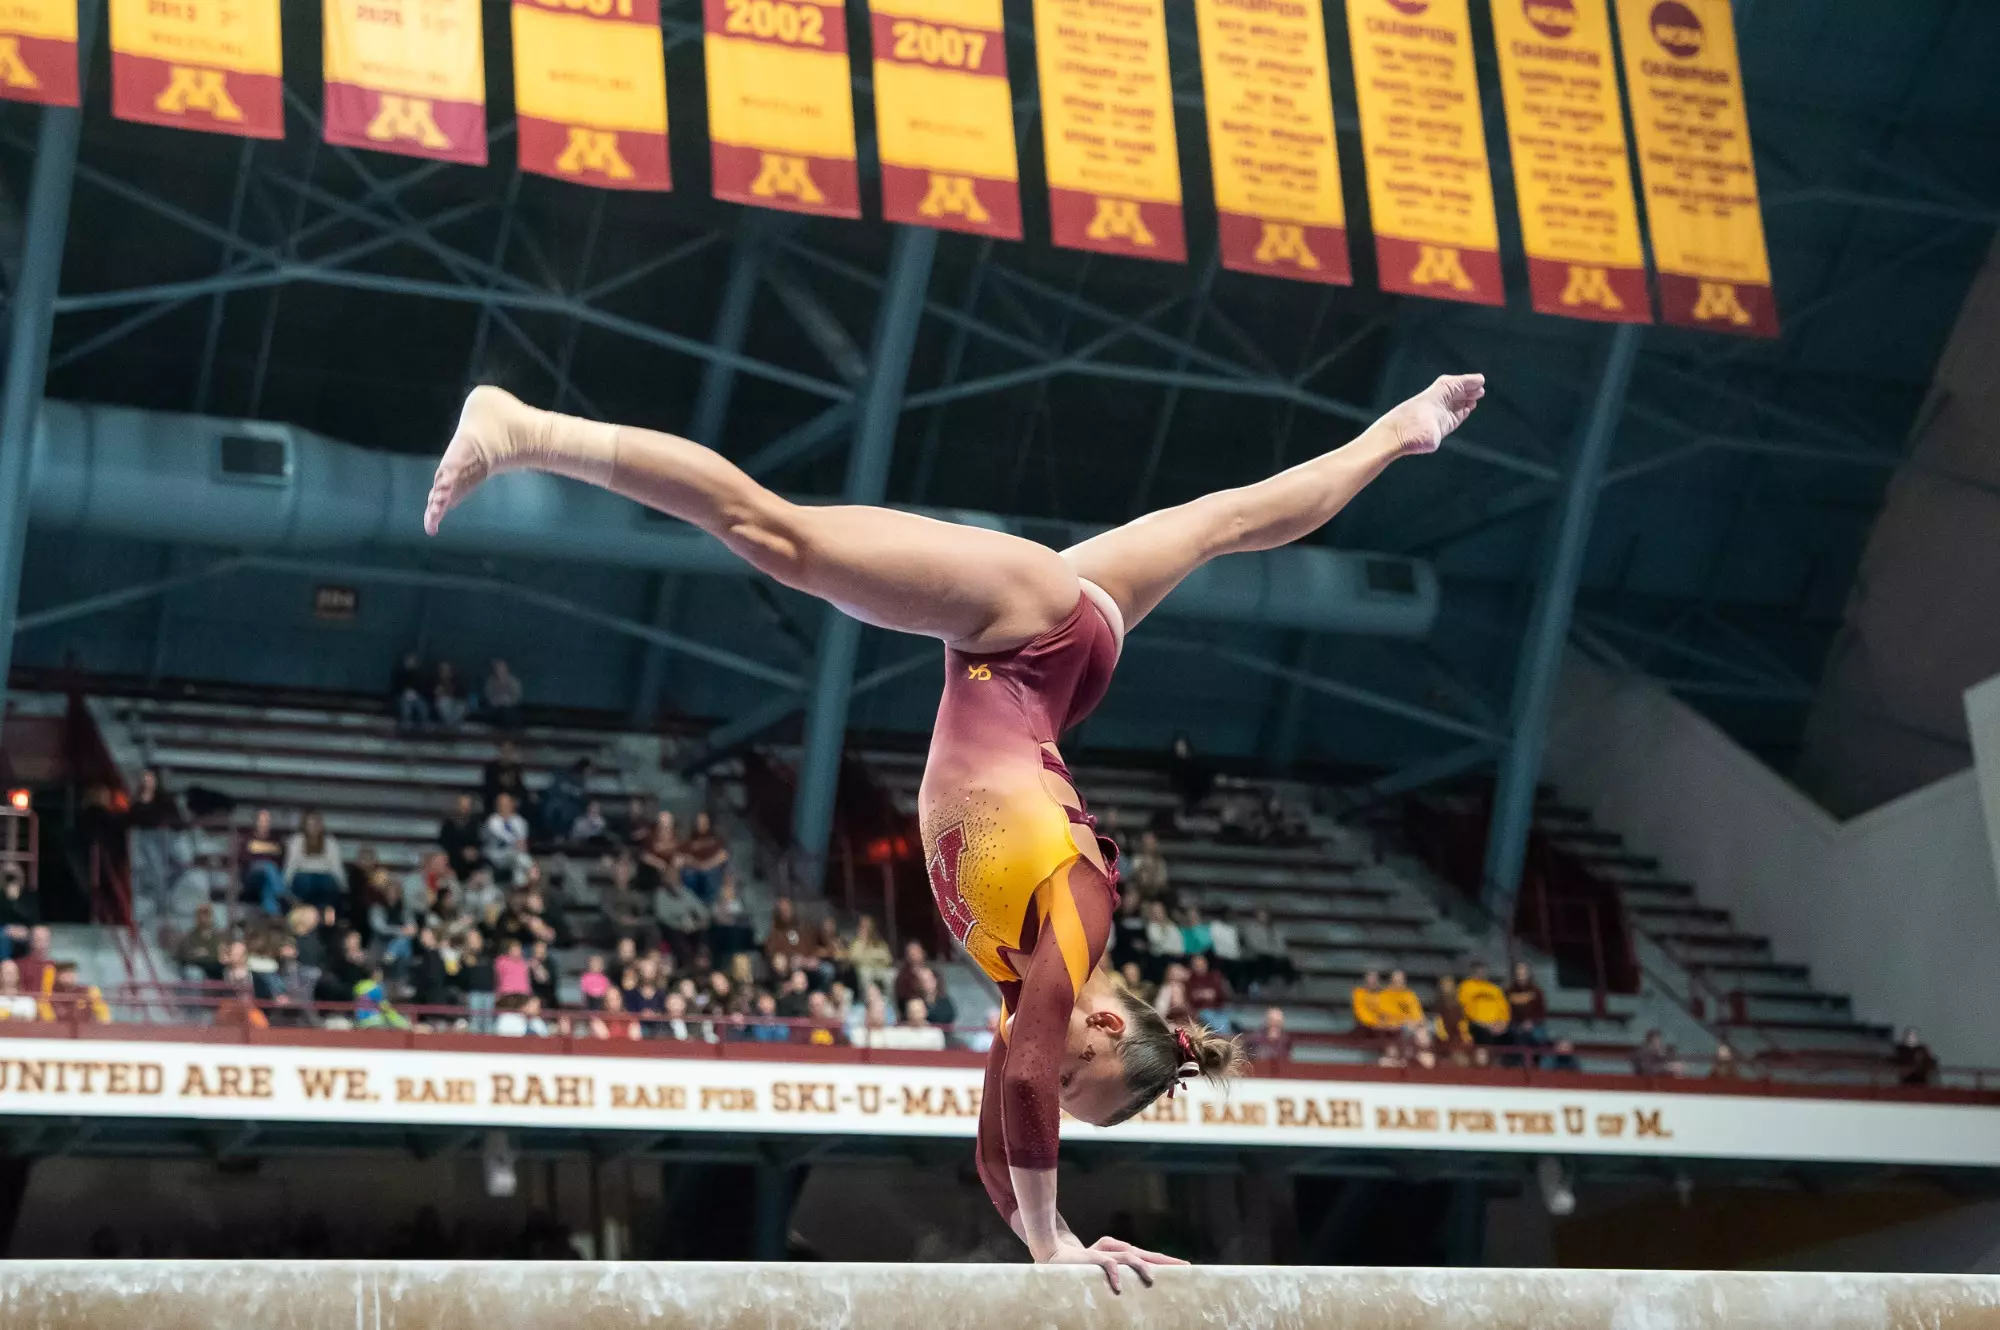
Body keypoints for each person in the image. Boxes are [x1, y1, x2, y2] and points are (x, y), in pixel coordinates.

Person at [425, 369, 1483, 1286]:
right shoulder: (1079, 915)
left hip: (1060, 666)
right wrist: (1052, 1238)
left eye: (1061, 1096)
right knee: (778, 534)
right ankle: (524, 427)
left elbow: (994, 1150)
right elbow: (1025, 1083)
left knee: (1226, 522)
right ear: (1105, 1029)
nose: (1046, 1079)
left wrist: (1050, 1237)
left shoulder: (1027, 990)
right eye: (1073, 1080)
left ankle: (1399, 431)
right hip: (1023, 631)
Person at [127, 767, 184, 906]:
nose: (147, 782)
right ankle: (162, 902)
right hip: (146, 838)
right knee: (156, 868)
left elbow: (178, 820)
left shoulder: (164, 799)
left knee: (180, 865)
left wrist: (166, 823)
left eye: (150, 779)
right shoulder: (137, 802)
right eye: (145, 779)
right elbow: (132, 819)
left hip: (167, 837)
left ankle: (162, 893)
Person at [284, 810, 344, 912]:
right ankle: (306, 911)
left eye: (316, 824)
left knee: (327, 883)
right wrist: (286, 885)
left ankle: (321, 912)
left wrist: (343, 886)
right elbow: (291, 865)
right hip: (303, 875)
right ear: (305, 825)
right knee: (306, 881)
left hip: (324, 876)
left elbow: (336, 866)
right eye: (310, 824)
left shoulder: (330, 841)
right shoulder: (297, 840)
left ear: (321, 825)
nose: (313, 827)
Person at [237, 809, 287, 915]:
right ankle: (282, 895)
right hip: (251, 875)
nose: (264, 823)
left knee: (268, 885)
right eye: (262, 820)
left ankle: (274, 915)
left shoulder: (276, 839)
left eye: (267, 820)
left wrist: (261, 853)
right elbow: (244, 859)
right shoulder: (248, 838)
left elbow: (281, 860)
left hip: (270, 876)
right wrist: (267, 855)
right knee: (268, 866)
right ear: (256, 822)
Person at [1503, 960, 1550, 1066]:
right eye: (1518, 972)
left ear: (1528, 974)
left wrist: (1531, 1022)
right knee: (1517, 1035)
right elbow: (1505, 1011)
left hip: (1535, 1025)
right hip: (1514, 1024)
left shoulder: (1537, 991)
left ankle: (1543, 1069)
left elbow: (1541, 1012)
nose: (1521, 975)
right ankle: (1520, 1066)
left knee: (1541, 1039)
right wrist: (1515, 1023)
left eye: (1523, 972)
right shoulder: (1508, 992)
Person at [1240, 905, 1297, 992]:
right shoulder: (1250, 929)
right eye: (1261, 915)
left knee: (1286, 961)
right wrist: (1270, 951)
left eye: (1265, 915)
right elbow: (1253, 945)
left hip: (1274, 955)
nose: (1263, 918)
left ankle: (1289, 986)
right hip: (1258, 956)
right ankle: (1261, 982)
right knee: (1264, 959)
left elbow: (1282, 946)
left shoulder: (1276, 930)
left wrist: (1276, 952)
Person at [482, 791, 532, 888]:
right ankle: (531, 868)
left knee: (518, 861)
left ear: (512, 804)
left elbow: (522, 842)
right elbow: (505, 837)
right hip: (495, 856)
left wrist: (520, 845)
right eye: (500, 804)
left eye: (506, 803)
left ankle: (520, 886)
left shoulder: (520, 821)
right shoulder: (492, 820)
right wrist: (517, 843)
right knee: (519, 857)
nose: (503, 806)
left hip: (514, 855)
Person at [679, 811, 731, 902]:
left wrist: (704, 865)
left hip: (712, 871)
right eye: (698, 822)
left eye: (704, 821)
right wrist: (698, 865)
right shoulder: (690, 840)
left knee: (710, 874)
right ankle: (692, 901)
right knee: (687, 873)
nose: (701, 824)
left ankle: (708, 902)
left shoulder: (716, 839)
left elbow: (723, 856)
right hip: (695, 872)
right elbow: (684, 858)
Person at [1457, 962, 1511, 1050]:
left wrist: (1503, 1022)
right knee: (1484, 1034)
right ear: (1472, 972)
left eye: (1483, 971)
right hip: (1476, 1024)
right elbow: (1465, 1008)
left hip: (1497, 1025)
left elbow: (1504, 1007)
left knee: (1510, 1036)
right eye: (1477, 971)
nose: (1481, 973)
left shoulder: (1494, 989)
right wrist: (1484, 1024)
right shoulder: (1466, 987)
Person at [438, 793, 484, 882]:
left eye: (467, 805)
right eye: (462, 805)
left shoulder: (476, 824)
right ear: (457, 806)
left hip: (473, 863)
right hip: (453, 861)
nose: (465, 808)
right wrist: (461, 851)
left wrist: (474, 851)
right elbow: (444, 844)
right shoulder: (448, 825)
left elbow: (480, 843)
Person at [1184, 953, 1233, 1031]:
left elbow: (1225, 995)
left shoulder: (1215, 977)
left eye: (1201, 965)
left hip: (1219, 1010)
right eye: (1196, 965)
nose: (1199, 967)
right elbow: (1188, 998)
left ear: (1206, 964)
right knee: (1209, 1016)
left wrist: (1213, 994)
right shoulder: (1190, 980)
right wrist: (1200, 995)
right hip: (1201, 1011)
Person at [847, 915, 893, 996]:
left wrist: (868, 956)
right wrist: (863, 943)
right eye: (863, 927)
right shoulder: (856, 943)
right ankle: (868, 1000)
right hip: (865, 969)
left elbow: (888, 959)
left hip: (880, 969)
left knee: (891, 974)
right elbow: (854, 958)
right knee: (866, 974)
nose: (866, 929)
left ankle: (889, 1001)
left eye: (868, 927)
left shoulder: (879, 942)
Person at [1124, 830, 1170, 903]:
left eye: (1150, 842)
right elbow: (1135, 878)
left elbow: (1162, 881)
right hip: (1139, 892)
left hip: (1157, 893)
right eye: (1146, 842)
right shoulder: (1136, 859)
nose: (1148, 844)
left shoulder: (1160, 861)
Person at [392, 651, 430, 733]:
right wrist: (406, 692)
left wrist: (415, 693)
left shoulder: (419, 675)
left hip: (416, 696)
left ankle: (424, 723)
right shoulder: (400, 673)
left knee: (422, 705)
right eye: (409, 661)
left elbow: (422, 687)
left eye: (412, 661)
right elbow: (396, 687)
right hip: (403, 695)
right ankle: (406, 722)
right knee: (405, 704)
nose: (410, 663)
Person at [484, 658, 524, 730]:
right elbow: (488, 695)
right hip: (494, 707)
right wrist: (495, 701)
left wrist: (506, 700)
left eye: (500, 668)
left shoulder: (514, 681)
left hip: (510, 708)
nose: (498, 670)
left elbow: (517, 698)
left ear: (506, 668)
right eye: (497, 668)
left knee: (509, 714)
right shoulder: (490, 681)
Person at [431, 660, 468, 730]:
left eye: (448, 670)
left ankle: (452, 727)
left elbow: (462, 696)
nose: (446, 672)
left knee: (462, 707)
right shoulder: (435, 681)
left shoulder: (456, 681)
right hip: (442, 705)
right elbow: (435, 697)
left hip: (455, 704)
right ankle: (450, 727)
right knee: (444, 702)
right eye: (444, 670)